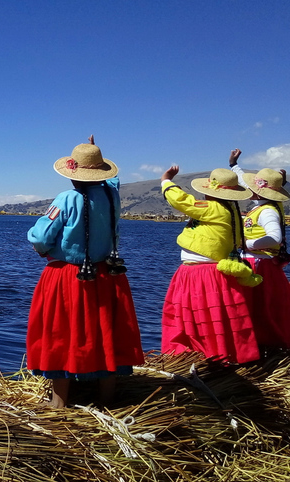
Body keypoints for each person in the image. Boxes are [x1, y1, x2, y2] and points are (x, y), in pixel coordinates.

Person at [26, 136, 144, 408]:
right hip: (108, 275)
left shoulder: (66, 198)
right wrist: (95, 152)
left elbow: (41, 238)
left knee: (62, 332)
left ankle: (58, 402)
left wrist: (34, 238)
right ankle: (107, 399)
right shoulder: (111, 195)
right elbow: (112, 181)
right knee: (106, 331)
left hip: (69, 276)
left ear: (71, 174)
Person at [160, 164, 261, 364]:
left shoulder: (213, 208)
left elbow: (183, 201)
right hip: (212, 272)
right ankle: (224, 354)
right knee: (216, 317)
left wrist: (166, 181)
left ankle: (199, 356)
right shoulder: (232, 210)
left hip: (200, 274)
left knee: (195, 317)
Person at [229, 149, 290, 350]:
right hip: (259, 262)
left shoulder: (267, 211)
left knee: (258, 306)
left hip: (259, 264)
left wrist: (247, 244)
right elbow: (245, 182)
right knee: (262, 306)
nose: (248, 188)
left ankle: (260, 343)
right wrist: (234, 166)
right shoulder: (263, 204)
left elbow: (274, 237)